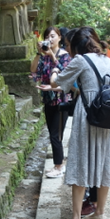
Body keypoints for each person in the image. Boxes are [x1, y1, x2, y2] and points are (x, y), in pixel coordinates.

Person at [50, 26, 110, 219]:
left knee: (81, 160)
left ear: (77, 46)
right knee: (105, 161)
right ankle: (100, 213)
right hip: (108, 117)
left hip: (87, 115)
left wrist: (54, 70)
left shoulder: (80, 60)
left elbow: (58, 83)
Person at [30, 26, 72, 179]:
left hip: (61, 100)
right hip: (48, 99)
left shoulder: (65, 55)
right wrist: (38, 53)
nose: (50, 39)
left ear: (60, 37)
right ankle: (58, 164)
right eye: (48, 36)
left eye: (53, 36)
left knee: (56, 135)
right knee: (52, 133)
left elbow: (66, 75)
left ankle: (59, 166)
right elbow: (34, 73)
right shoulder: (45, 56)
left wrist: (53, 57)